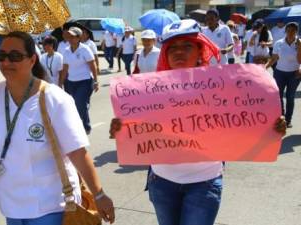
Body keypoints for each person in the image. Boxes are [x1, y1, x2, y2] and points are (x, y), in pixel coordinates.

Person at [109, 19, 287, 225]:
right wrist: (120, 129)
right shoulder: (148, 91)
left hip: (204, 183)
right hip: (162, 182)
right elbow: (135, 128)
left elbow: (247, 121)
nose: (178, 52)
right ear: (165, 52)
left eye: (186, 46)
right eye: (172, 47)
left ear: (200, 50)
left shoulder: (223, 86)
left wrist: (271, 127)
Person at [0, 31, 115, 225]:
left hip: (51, 206)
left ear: (32, 59)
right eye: (1, 56)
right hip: (11, 206)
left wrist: (99, 194)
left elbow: (77, 152)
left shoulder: (54, 98)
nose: (6, 62)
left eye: (15, 56)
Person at [61, 27, 99, 135]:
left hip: (85, 81)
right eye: (69, 36)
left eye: (73, 36)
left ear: (79, 37)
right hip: (71, 82)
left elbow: (93, 66)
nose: (70, 38)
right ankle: (84, 108)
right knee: (74, 104)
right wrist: (60, 82)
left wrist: (96, 81)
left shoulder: (85, 49)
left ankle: (86, 126)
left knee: (79, 103)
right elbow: (65, 68)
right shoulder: (66, 51)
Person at [266, 22, 301, 128]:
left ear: (296, 31)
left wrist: (300, 49)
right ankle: (281, 117)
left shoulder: (300, 43)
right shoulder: (278, 43)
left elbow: (300, 60)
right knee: (278, 96)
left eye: (293, 30)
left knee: (290, 97)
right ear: (285, 31)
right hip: (279, 73)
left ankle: (288, 119)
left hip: (294, 74)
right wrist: (265, 67)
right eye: (289, 30)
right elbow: (274, 58)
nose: (291, 32)